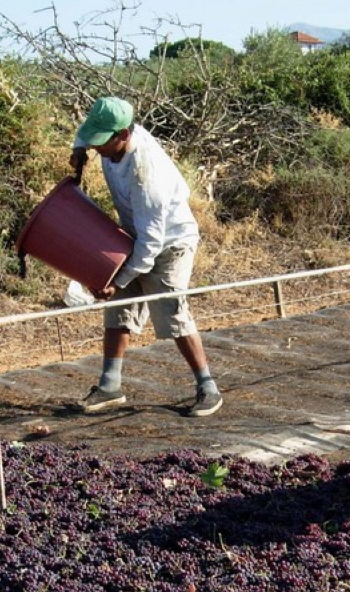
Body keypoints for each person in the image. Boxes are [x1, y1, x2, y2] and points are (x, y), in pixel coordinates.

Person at [68, 96, 222, 418]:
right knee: (118, 306)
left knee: (171, 310)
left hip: (170, 243)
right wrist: (78, 148)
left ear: (123, 135)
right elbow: (86, 134)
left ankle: (208, 388)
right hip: (135, 235)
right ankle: (110, 385)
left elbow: (151, 246)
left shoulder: (146, 174)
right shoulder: (112, 138)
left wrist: (120, 278)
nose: (97, 148)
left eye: (101, 142)